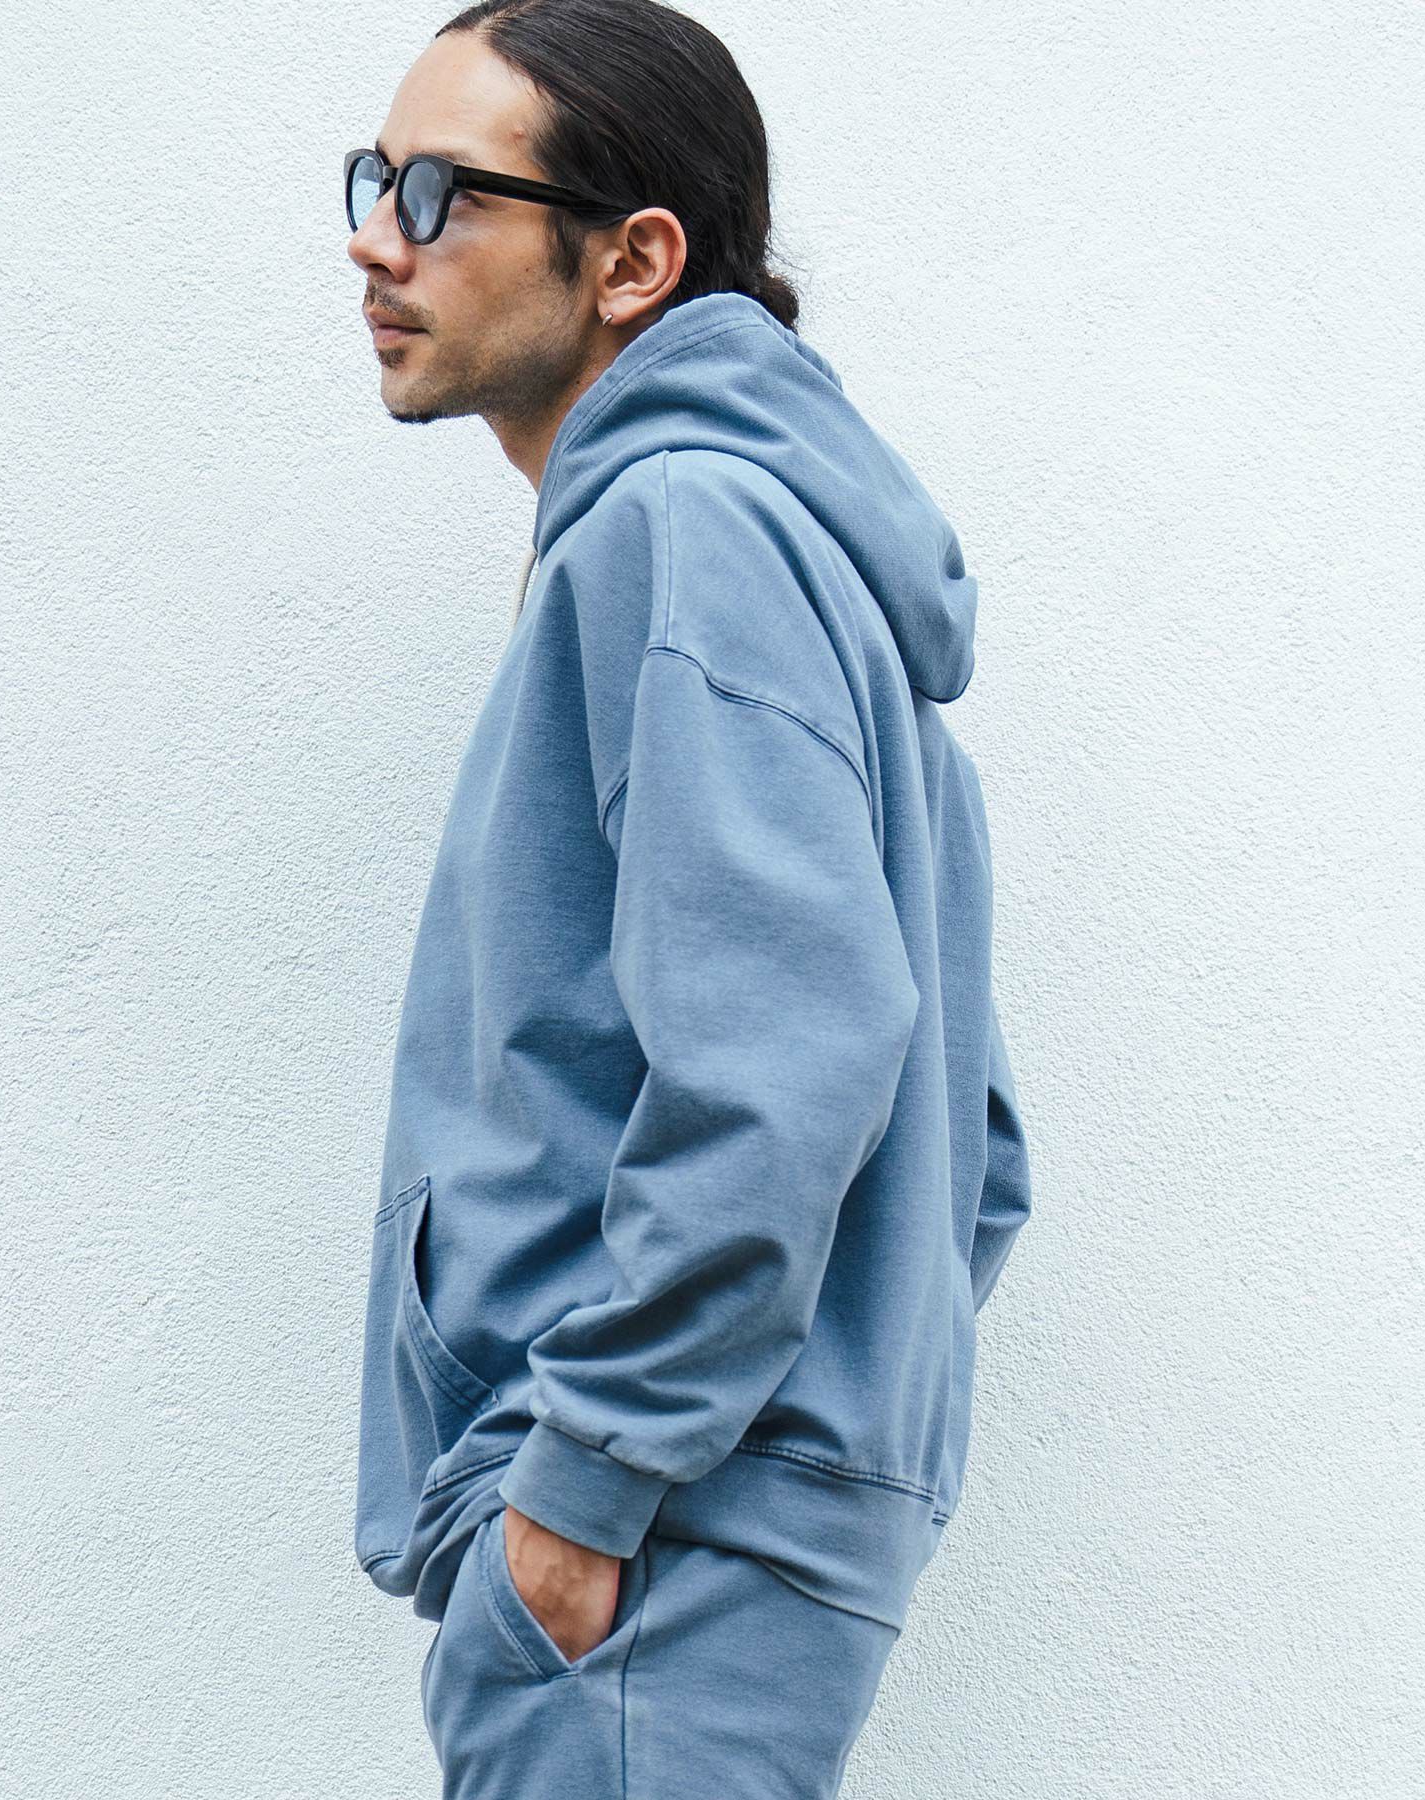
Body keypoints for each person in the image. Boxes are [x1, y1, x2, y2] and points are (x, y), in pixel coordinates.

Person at [345, 3, 1033, 1793]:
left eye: (440, 192)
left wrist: (587, 1487)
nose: (375, 241)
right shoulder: (781, 548)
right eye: (371, 181)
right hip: (703, 1534)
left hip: (651, 1555)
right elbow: (972, 1147)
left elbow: (792, 1055)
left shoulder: (690, 533)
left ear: (632, 262)